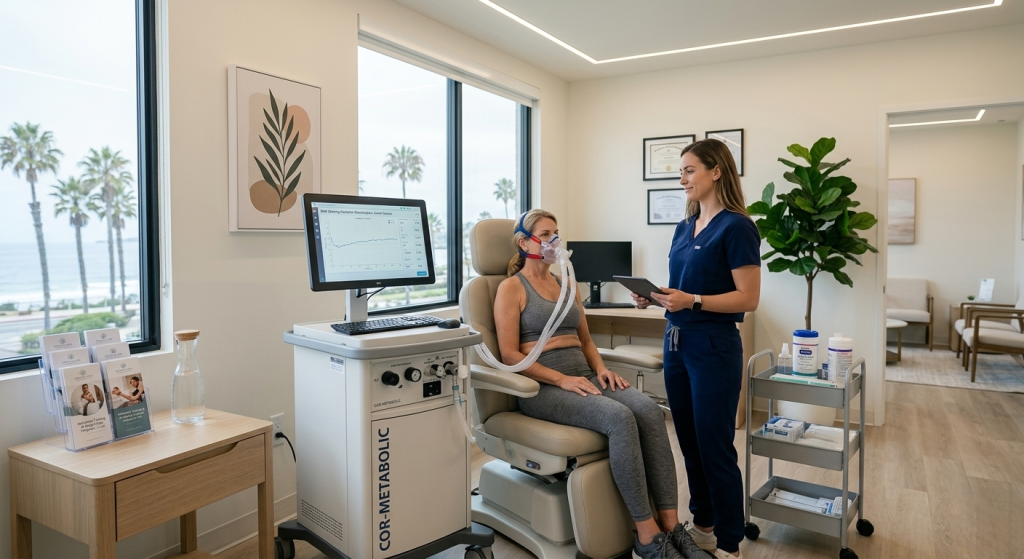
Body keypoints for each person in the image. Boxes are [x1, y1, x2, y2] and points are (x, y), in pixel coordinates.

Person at [494, 209, 707, 559]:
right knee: (620, 418)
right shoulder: (511, 288)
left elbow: (587, 341)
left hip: (584, 376)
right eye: (546, 234)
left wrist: (601, 369)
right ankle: (647, 534)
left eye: (556, 233)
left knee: (650, 412)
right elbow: (509, 355)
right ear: (523, 241)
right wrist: (561, 379)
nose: (554, 242)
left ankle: (671, 526)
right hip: (542, 388)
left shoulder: (567, 285)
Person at [632, 139, 761, 559]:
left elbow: (748, 298)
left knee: (715, 445)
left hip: (714, 347)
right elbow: (686, 288)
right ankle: (702, 524)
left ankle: (728, 542)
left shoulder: (737, 226)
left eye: (689, 170)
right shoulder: (684, 226)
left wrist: (695, 301)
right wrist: (656, 297)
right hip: (676, 343)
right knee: (687, 440)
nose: (682, 179)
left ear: (716, 171)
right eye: (681, 172)